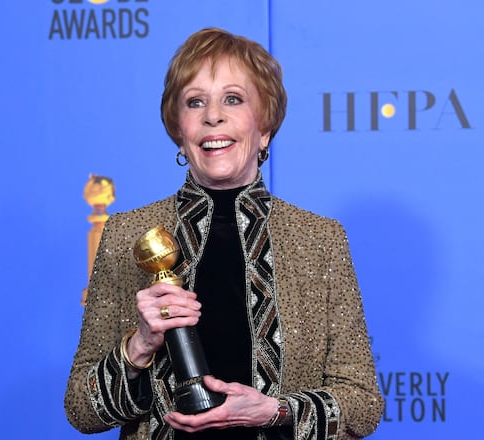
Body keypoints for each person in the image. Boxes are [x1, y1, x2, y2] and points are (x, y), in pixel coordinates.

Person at [65, 27, 384, 439]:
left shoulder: (320, 239)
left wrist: (275, 411)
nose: (212, 115)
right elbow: (80, 410)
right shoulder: (129, 235)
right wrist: (139, 345)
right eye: (195, 101)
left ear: (264, 127)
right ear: (179, 130)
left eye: (233, 99)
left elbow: (362, 404)